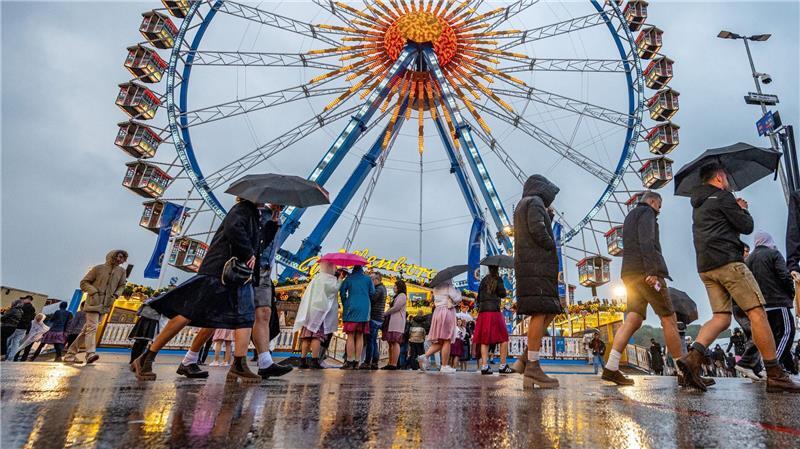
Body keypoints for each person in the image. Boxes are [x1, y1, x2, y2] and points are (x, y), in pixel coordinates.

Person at [678, 162, 800, 392]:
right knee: (757, 313)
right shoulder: (723, 198)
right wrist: (741, 208)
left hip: (705, 266)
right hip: (728, 262)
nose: (727, 181)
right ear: (718, 177)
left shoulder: (698, 205)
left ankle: (692, 359)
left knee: (721, 318)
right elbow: (746, 226)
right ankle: (774, 373)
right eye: (725, 176)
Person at [132, 198, 262, 383]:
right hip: (220, 271)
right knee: (188, 313)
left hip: (239, 275)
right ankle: (147, 357)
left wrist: (273, 222)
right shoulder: (241, 209)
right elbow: (234, 229)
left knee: (245, 317)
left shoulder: (255, 216)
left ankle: (239, 364)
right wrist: (248, 252)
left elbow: (259, 245)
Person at [601, 191, 684, 386]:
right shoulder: (647, 213)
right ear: (653, 201)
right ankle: (683, 370)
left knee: (633, 319)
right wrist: (653, 270)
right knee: (668, 317)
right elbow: (646, 241)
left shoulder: (630, 216)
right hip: (646, 272)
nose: (659, 211)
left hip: (629, 273)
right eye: (659, 206)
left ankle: (611, 366)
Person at [513, 175, 562, 389]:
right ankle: (532, 367)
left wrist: (547, 219)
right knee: (540, 312)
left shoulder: (525, 204)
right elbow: (536, 228)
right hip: (537, 266)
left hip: (533, 266)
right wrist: (550, 243)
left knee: (550, 310)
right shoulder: (534, 202)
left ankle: (524, 359)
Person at [64, 250, 128, 365]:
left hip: (106, 303)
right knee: (92, 328)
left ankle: (70, 354)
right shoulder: (98, 268)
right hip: (94, 302)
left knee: (87, 330)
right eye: (118, 256)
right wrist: (93, 292)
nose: (120, 259)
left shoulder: (121, 271)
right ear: (112, 256)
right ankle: (90, 354)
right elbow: (84, 282)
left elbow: (122, 285)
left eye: (122, 258)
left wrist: (116, 295)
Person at [746, 230, 797, 374]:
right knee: (787, 333)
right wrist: (791, 293)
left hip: (761, 305)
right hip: (778, 301)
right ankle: (771, 366)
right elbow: (785, 275)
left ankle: (783, 368)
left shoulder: (748, 259)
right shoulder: (773, 254)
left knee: (773, 338)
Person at [251, 204, 292, 379]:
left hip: (266, 270)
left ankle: (265, 361)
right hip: (253, 268)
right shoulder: (258, 214)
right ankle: (190, 357)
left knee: (264, 313)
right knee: (222, 319)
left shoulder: (277, 218)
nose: (282, 205)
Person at [293, 261, 341, 369]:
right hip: (321, 312)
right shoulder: (330, 280)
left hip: (310, 311)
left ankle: (302, 360)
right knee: (316, 337)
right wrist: (340, 280)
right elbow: (333, 291)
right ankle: (314, 360)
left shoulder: (316, 278)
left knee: (306, 337)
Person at [474, 266, 512, 375]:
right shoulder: (498, 279)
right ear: (497, 269)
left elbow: (479, 297)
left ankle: (485, 366)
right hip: (494, 311)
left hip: (483, 312)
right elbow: (503, 294)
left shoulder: (483, 281)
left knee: (484, 340)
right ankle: (503, 365)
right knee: (504, 338)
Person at [418, 280, 461, 373]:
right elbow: (457, 299)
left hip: (437, 312)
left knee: (441, 341)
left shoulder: (436, 288)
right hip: (447, 312)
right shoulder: (449, 287)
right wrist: (458, 292)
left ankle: (424, 356)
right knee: (447, 339)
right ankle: (444, 366)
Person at [339, 265, 375, 370]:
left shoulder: (348, 279)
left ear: (353, 269)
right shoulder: (368, 279)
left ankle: (349, 361)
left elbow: (342, 292)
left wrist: (345, 302)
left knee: (350, 335)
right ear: (362, 269)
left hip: (351, 307)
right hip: (364, 309)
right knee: (360, 335)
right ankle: (357, 362)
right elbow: (372, 293)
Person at [381, 279, 407, 370]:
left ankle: (394, 364)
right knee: (391, 342)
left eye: (395, 286)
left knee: (395, 342)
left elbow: (396, 307)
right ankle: (390, 362)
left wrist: (386, 313)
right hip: (392, 322)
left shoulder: (402, 296)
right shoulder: (397, 296)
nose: (394, 287)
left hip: (397, 322)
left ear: (399, 287)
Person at [365, 272, 387, 370]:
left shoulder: (379, 289)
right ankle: (374, 361)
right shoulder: (382, 288)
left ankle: (370, 361)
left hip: (374, 318)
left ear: (376, 280)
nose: (370, 281)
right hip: (378, 318)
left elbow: (372, 299)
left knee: (371, 341)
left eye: (371, 279)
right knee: (373, 341)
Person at [5, 296, 36, 362]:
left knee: (8, 340)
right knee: (16, 343)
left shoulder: (23, 307)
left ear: (28, 299)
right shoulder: (33, 309)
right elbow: (31, 319)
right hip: (24, 328)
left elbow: (18, 316)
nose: (23, 300)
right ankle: (10, 358)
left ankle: (6, 355)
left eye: (24, 299)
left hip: (17, 326)